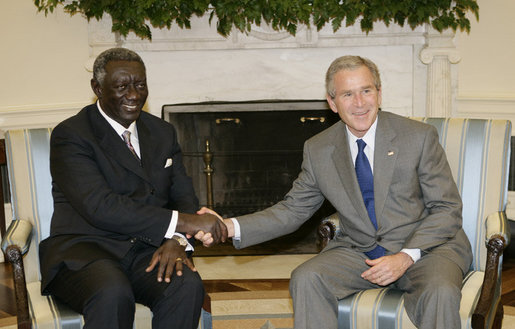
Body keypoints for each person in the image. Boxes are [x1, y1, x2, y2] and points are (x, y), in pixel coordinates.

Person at [200, 55, 472, 328]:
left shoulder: (418, 136)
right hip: (362, 250)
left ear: (379, 93)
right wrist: (227, 227)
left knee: (440, 292)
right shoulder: (319, 149)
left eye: (366, 91)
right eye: (347, 94)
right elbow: (292, 210)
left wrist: (405, 256)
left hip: (427, 248)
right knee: (307, 277)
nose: (359, 103)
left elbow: (447, 208)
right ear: (332, 102)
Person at [39, 47, 227, 329]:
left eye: (140, 84)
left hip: (146, 249)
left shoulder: (162, 132)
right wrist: (186, 222)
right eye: (122, 86)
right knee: (112, 294)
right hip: (87, 250)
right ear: (97, 88)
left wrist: (176, 240)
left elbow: (183, 195)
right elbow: (101, 207)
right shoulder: (72, 135)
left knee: (186, 285)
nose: (134, 94)